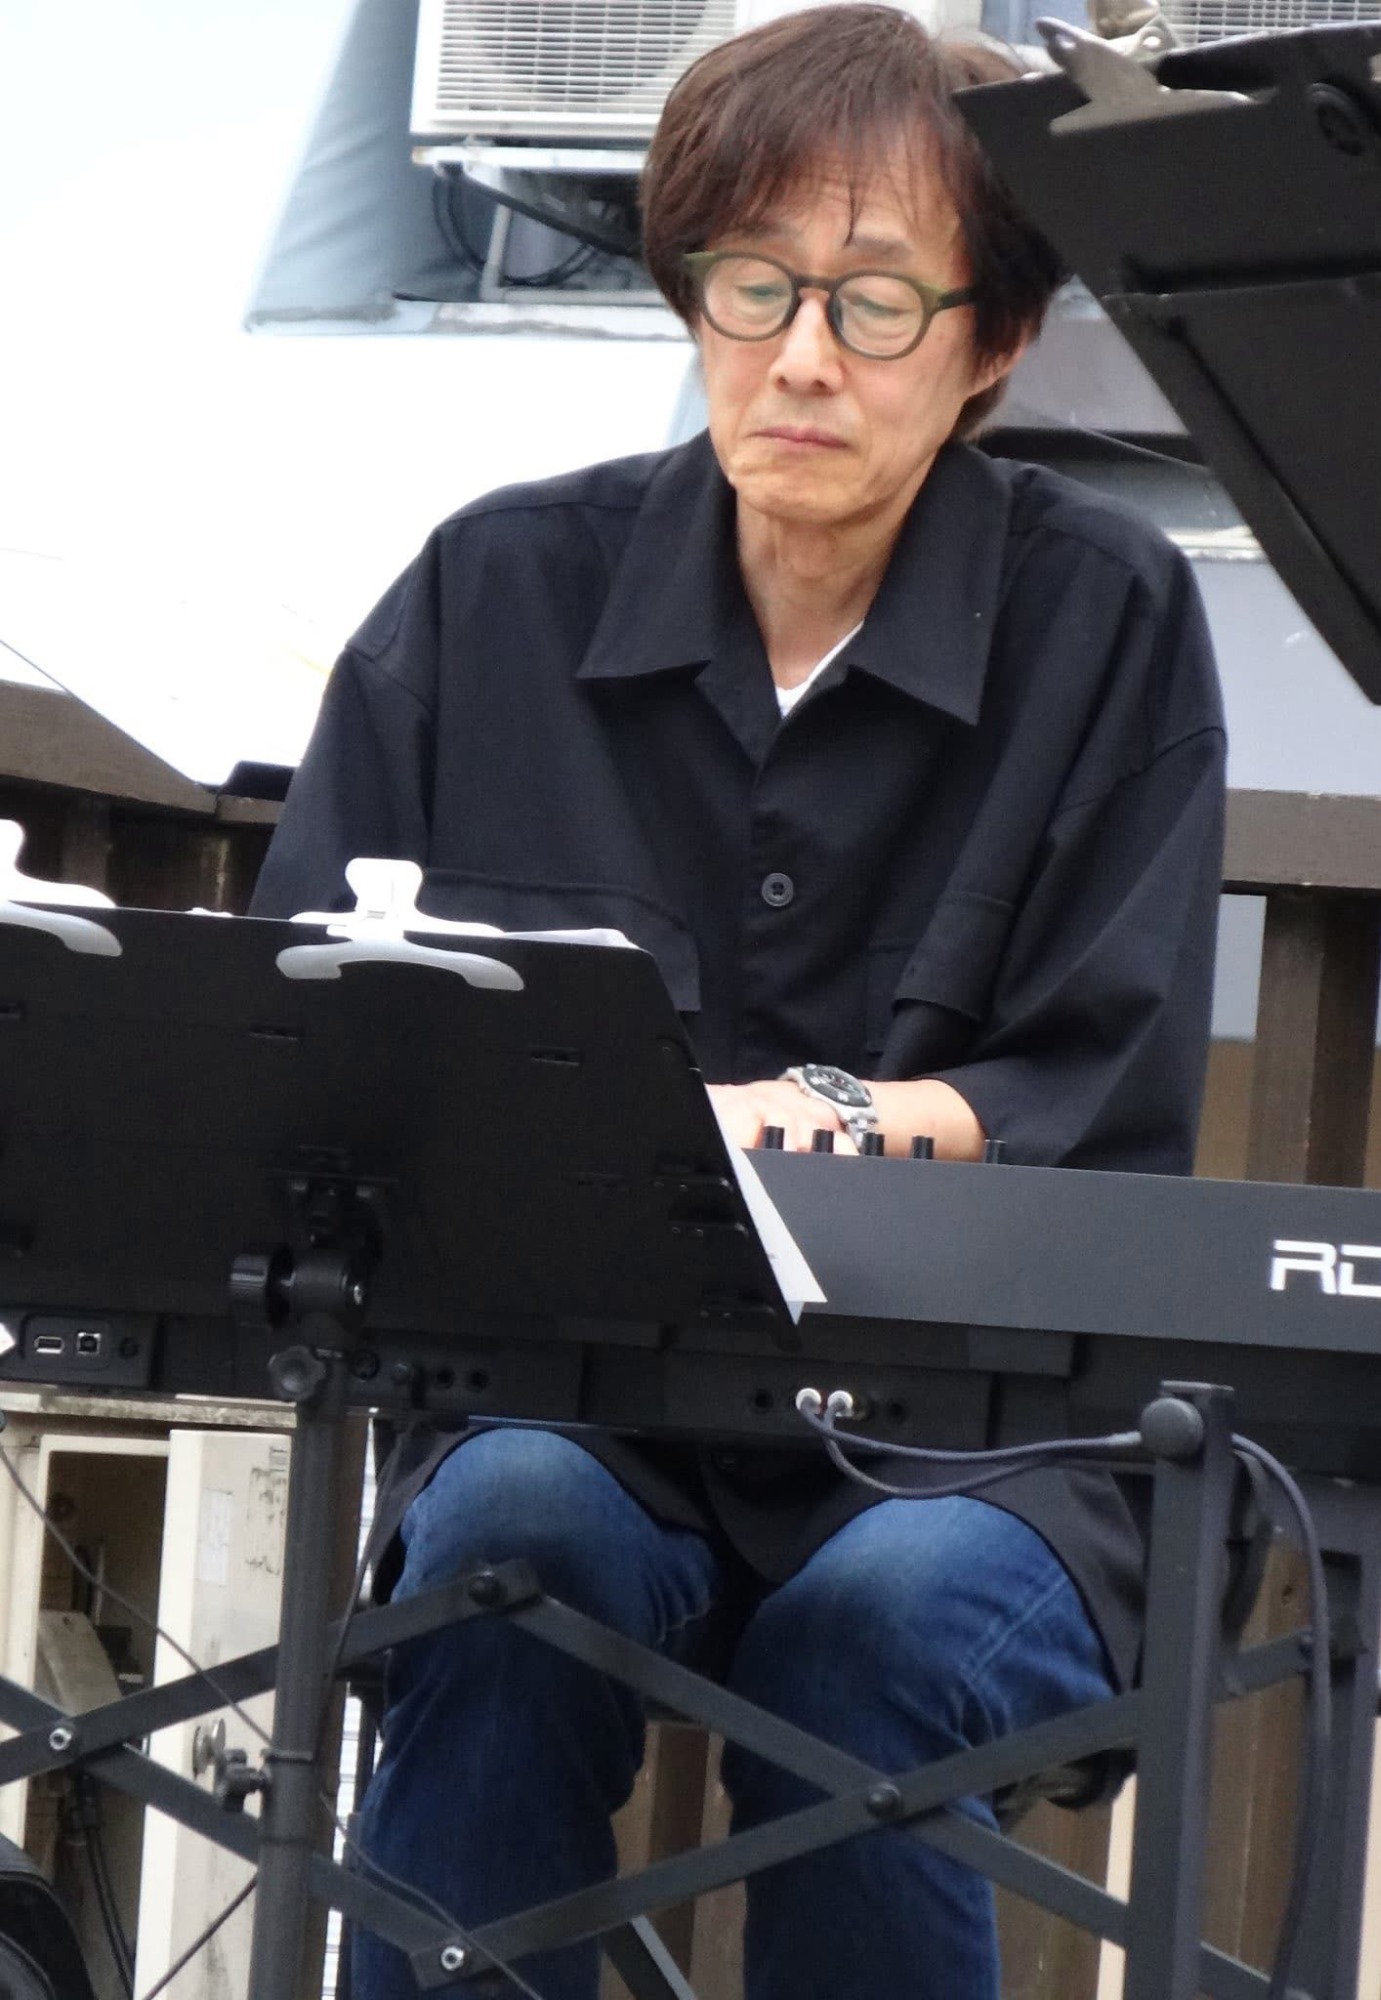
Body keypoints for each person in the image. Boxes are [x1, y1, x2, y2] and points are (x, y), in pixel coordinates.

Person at [250, 7, 1226, 1995]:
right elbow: (325, 1032)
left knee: (880, 1633)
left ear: (994, 341)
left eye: (874, 302)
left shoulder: (1111, 617)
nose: (799, 355)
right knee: (508, 1545)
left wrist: (803, 1121)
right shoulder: (488, 592)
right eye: (754, 285)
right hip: (576, 1389)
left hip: (983, 1433)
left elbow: (1094, 1088)